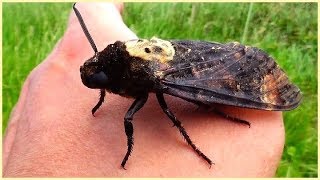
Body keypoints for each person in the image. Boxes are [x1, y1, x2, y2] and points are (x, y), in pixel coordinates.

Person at [3, 2, 285, 177]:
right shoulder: (120, 58)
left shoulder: (147, 75)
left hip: (213, 75)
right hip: (184, 55)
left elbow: (164, 111)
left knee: (158, 112)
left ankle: (196, 136)